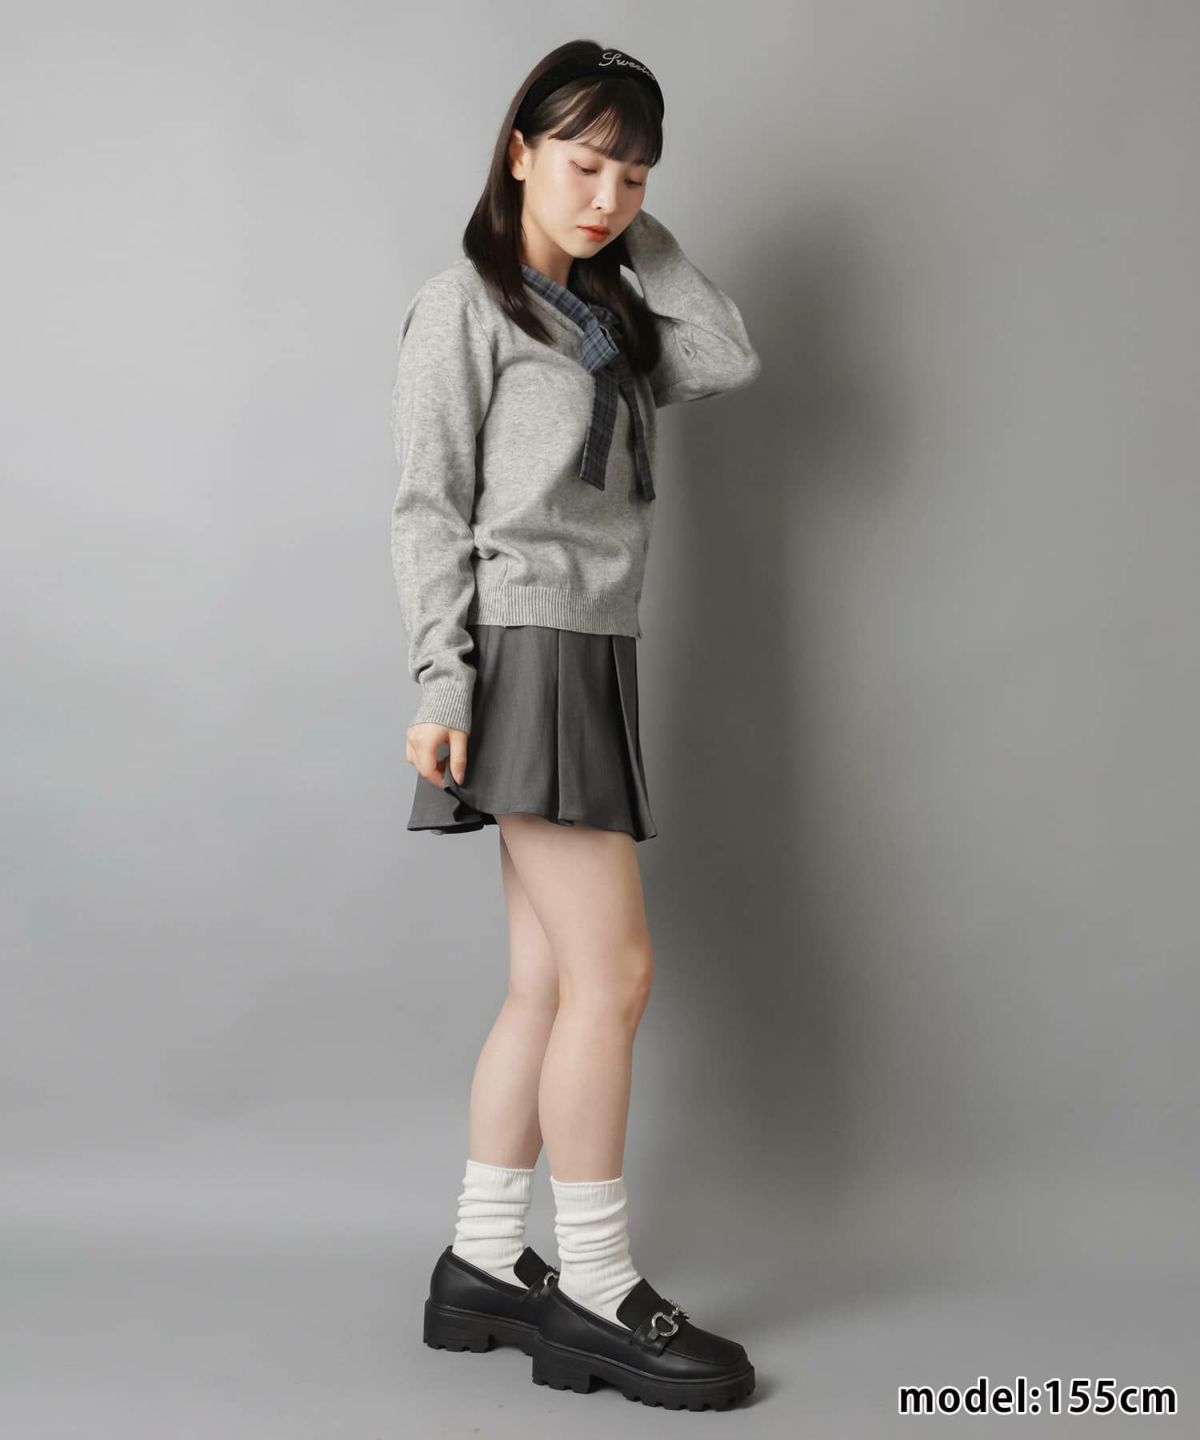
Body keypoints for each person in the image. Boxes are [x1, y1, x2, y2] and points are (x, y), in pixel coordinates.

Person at [389, 38, 762, 1411]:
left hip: (594, 652)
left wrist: (628, 234)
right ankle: (598, 1288)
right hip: (528, 653)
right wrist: (443, 682)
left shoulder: (606, 323)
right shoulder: (464, 307)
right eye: (584, 161)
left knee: (548, 986)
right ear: (520, 151)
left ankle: (486, 1262)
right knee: (617, 979)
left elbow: (726, 355)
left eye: (636, 174)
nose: (608, 195)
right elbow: (428, 506)